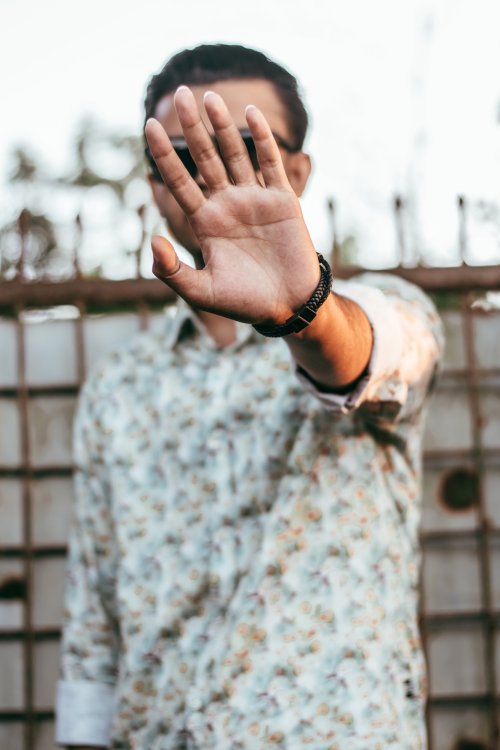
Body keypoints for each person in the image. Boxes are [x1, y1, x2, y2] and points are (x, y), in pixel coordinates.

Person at [55, 44, 443, 749]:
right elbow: (94, 605)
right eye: (185, 151)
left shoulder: (384, 310)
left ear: (299, 171)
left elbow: (368, 355)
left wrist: (303, 311)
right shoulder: (118, 389)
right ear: (156, 183)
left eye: (244, 147)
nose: (214, 169)